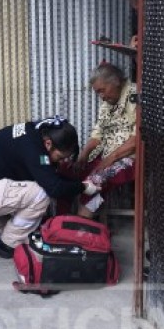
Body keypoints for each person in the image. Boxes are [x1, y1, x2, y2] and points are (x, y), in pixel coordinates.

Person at [0, 116, 100, 267]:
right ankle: (9, 245)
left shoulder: (33, 134)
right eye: (59, 157)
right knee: (41, 193)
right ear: (48, 144)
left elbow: (51, 178)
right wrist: (84, 187)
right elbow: (54, 187)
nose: (59, 162)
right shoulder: (33, 147)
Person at [64, 62, 137, 219]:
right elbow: (98, 134)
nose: (102, 97)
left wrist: (109, 160)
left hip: (130, 158)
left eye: (102, 91)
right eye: (98, 93)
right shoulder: (107, 103)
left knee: (93, 182)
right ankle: (62, 221)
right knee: (67, 172)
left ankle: (80, 225)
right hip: (106, 154)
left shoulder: (135, 96)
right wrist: (83, 156)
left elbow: (136, 140)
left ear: (116, 81)